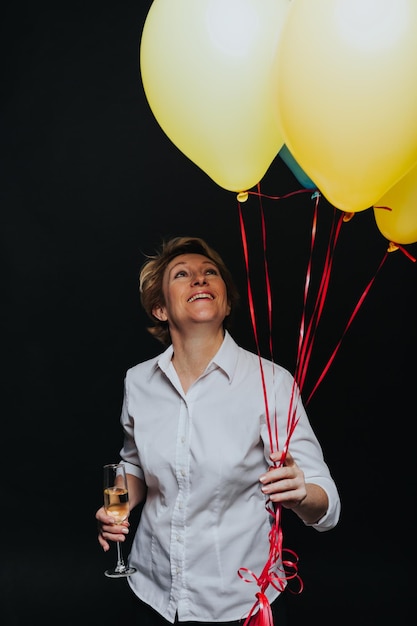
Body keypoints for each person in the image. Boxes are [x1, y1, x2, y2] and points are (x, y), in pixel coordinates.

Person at [96, 235, 341, 626]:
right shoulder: (138, 381)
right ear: (160, 308)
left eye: (210, 273)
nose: (199, 279)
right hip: (152, 590)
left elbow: (328, 506)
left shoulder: (271, 383)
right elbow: (135, 465)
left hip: (238, 602)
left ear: (225, 302)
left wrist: (300, 494)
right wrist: (120, 506)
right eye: (182, 274)